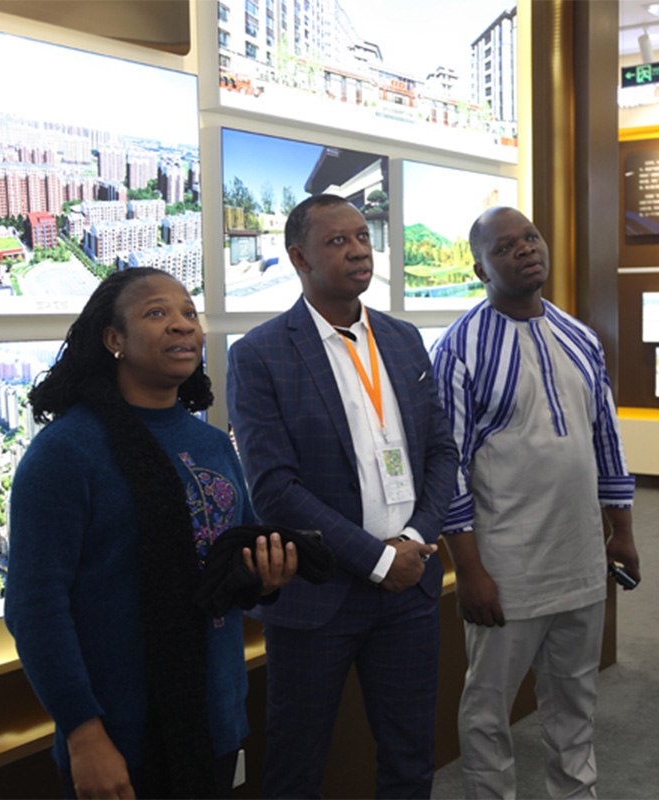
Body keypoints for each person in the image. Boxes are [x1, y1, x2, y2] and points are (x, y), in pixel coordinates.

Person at [5, 267, 297, 799]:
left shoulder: (212, 444)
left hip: (215, 718)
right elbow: (34, 607)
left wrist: (265, 578)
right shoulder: (65, 452)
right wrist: (84, 735)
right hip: (117, 736)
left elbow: (230, 558)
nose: (183, 325)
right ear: (113, 339)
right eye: (156, 313)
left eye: (189, 313)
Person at [227, 194, 458, 798]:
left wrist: (412, 541)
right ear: (299, 258)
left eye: (362, 236)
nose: (358, 250)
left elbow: (442, 452)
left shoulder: (404, 340)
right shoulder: (258, 354)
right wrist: (377, 559)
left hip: (410, 587)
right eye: (337, 241)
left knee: (411, 759)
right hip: (319, 594)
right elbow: (274, 489)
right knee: (296, 768)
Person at [430, 207, 639, 799]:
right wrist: (468, 572)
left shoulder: (580, 337)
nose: (525, 249)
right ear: (480, 269)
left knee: (575, 699)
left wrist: (622, 532)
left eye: (530, 237)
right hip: (506, 569)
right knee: (488, 709)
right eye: (504, 247)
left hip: (580, 558)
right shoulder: (458, 349)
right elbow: (449, 469)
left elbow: (606, 439)